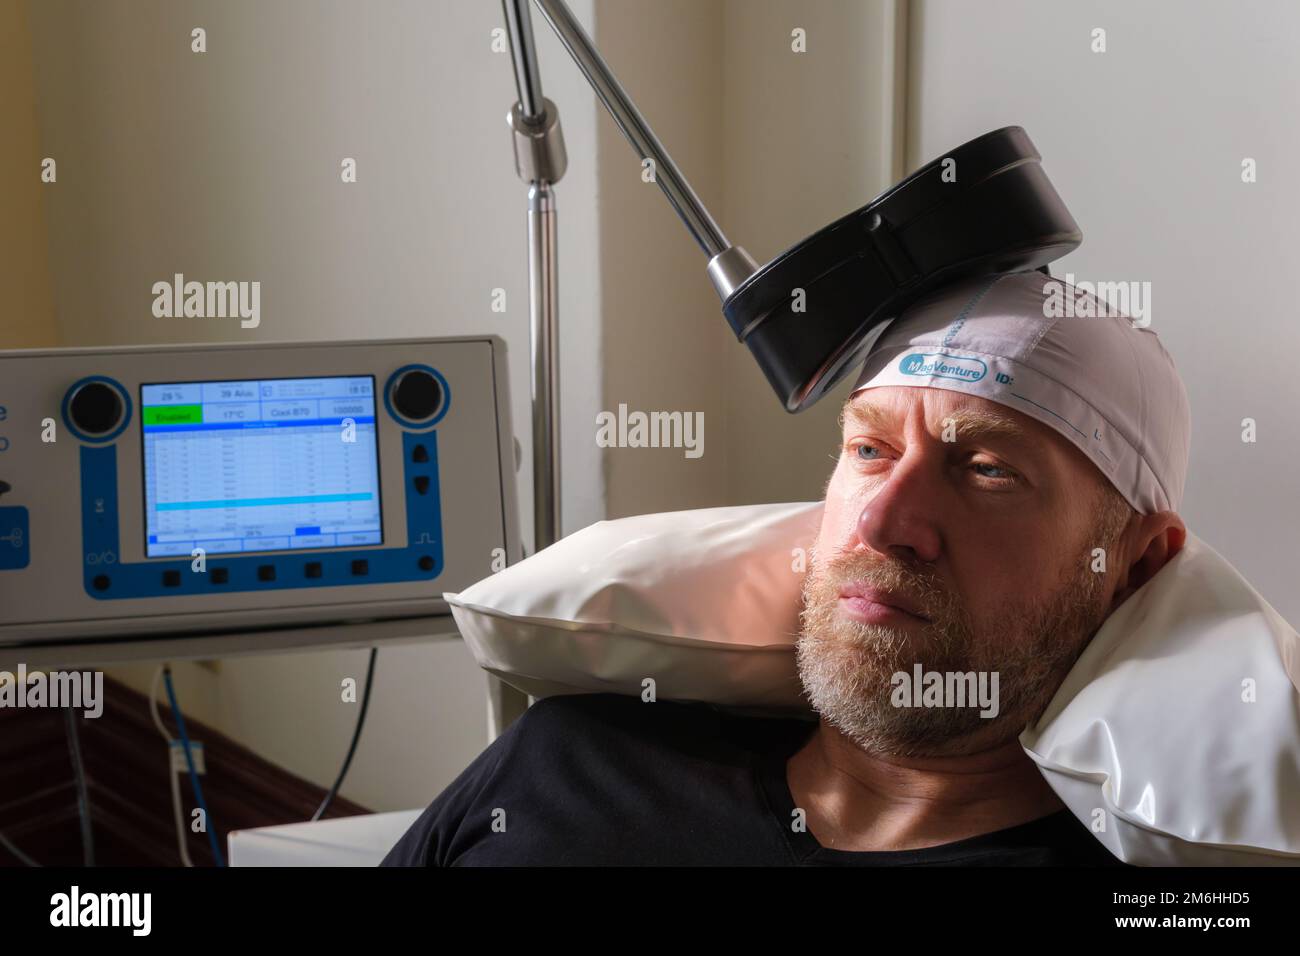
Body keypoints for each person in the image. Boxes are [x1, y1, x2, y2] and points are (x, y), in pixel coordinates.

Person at [383, 270, 1190, 866]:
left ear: (1134, 564)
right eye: (870, 451)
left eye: (986, 469)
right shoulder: (570, 756)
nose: (882, 521)